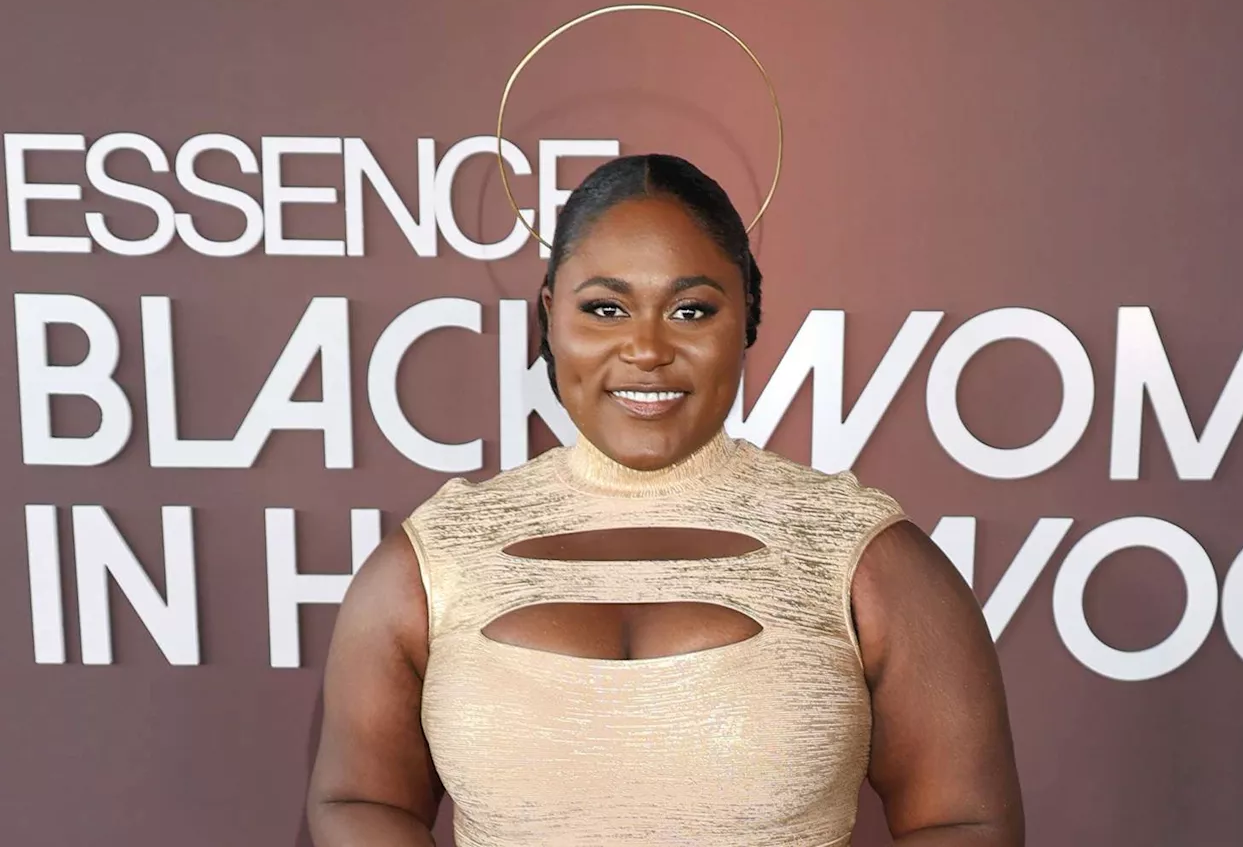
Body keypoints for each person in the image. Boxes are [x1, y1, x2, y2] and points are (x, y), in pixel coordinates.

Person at [306, 154, 1024, 846]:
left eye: (689, 309)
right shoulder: (432, 559)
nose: (646, 348)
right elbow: (361, 798)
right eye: (607, 307)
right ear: (550, 314)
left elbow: (962, 821)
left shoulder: (865, 557)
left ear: (747, 313)